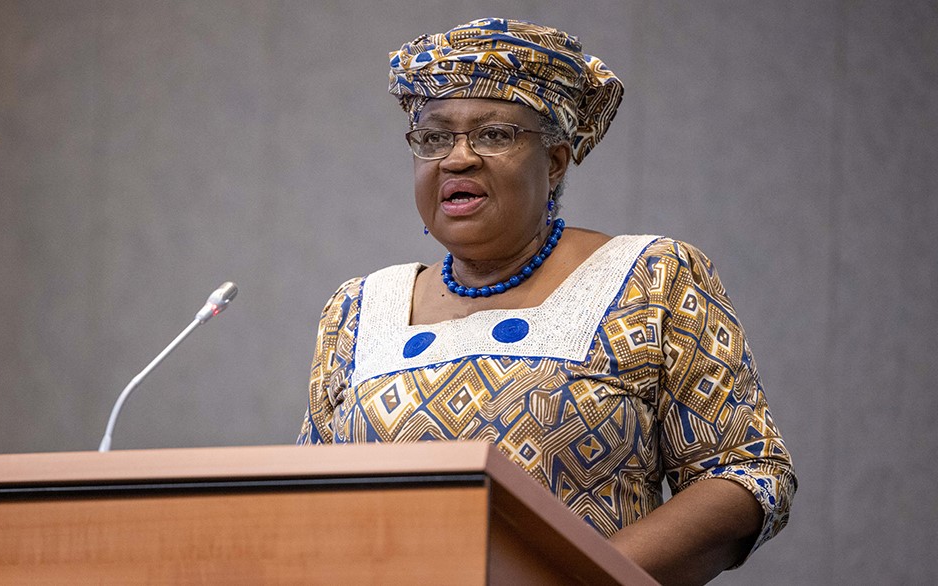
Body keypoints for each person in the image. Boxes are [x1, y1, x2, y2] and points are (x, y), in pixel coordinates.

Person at [296, 17, 795, 585]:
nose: (457, 159)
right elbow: (305, 504)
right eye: (434, 138)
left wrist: (573, 577)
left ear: (554, 161)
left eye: (493, 135)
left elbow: (748, 473)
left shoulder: (649, 278)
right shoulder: (357, 310)